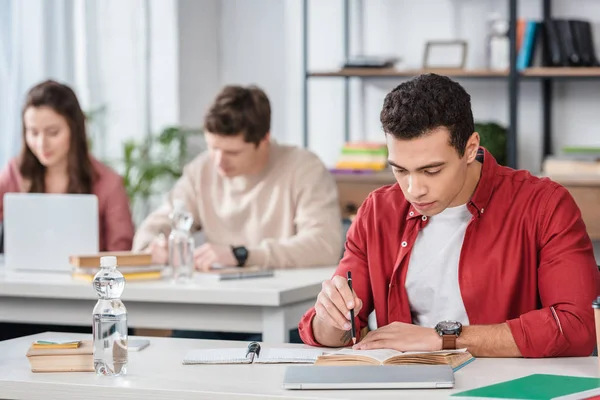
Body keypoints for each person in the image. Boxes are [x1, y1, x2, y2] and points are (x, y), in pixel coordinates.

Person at [298, 73, 600, 358]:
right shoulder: (378, 211)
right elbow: (329, 334)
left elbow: (577, 326)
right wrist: (331, 316)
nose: (414, 190)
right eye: (400, 170)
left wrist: (444, 338)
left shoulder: (544, 205)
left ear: (470, 149)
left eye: (432, 170)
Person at [133, 85, 342, 341]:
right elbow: (158, 221)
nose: (219, 161)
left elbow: (324, 245)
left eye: (232, 152)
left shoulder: (304, 168)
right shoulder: (202, 170)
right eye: (212, 147)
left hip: (286, 312)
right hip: (219, 308)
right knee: (175, 354)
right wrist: (153, 245)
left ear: (264, 139)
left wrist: (241, 254)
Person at [0, 80, 134, 252]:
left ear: (74, 129)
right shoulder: (15, 172)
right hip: (22, 278)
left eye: (53, 132)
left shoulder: (108, 183)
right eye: (33, 132)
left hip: (88, 278)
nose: (41, 144)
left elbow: (122, 252)